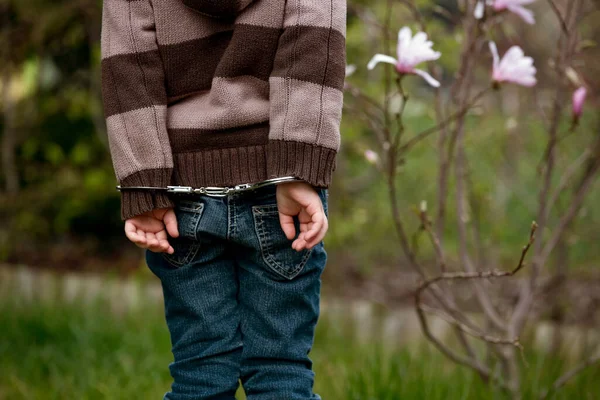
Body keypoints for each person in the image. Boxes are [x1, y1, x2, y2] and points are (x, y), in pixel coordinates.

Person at [100, 0, 346, 399]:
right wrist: (298, 170)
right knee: (280, 370)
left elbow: (128, 68)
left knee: (201, 373)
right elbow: (313, 45)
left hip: (182, 196)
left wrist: (144, 186)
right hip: (278, 189)